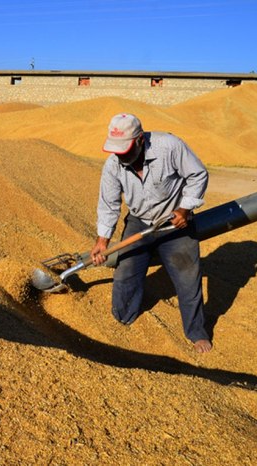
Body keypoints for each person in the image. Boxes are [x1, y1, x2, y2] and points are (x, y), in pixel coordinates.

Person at [90, 113, 213, 353]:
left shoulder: (170, 147)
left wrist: (185, 208)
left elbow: (198, 174)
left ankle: (196, 332)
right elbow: (109, 203)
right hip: (139, 221)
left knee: (188, 277)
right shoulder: (114, 163)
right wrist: (102, 240)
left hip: (175, 222)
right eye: (116, 150)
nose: (120, 156)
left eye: (125, 150)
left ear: (139, 141)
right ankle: (123, 318)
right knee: (125, 273)